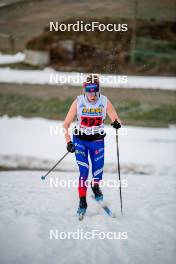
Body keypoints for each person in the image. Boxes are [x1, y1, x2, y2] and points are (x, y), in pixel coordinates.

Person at [63, 74, 121, 216]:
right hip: (80, 141)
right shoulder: (78, 102)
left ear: (98, 90)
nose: (92, 95)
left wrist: (116, 122)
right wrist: (68, 142)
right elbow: (66, 124)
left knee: (97, 172)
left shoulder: (104, 101)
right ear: (84, 91)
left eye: (95, 91)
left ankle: (95, 188)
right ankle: (82, 200)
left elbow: (115, 117)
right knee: (84, 170)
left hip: (97, 141)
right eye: (89, 91)